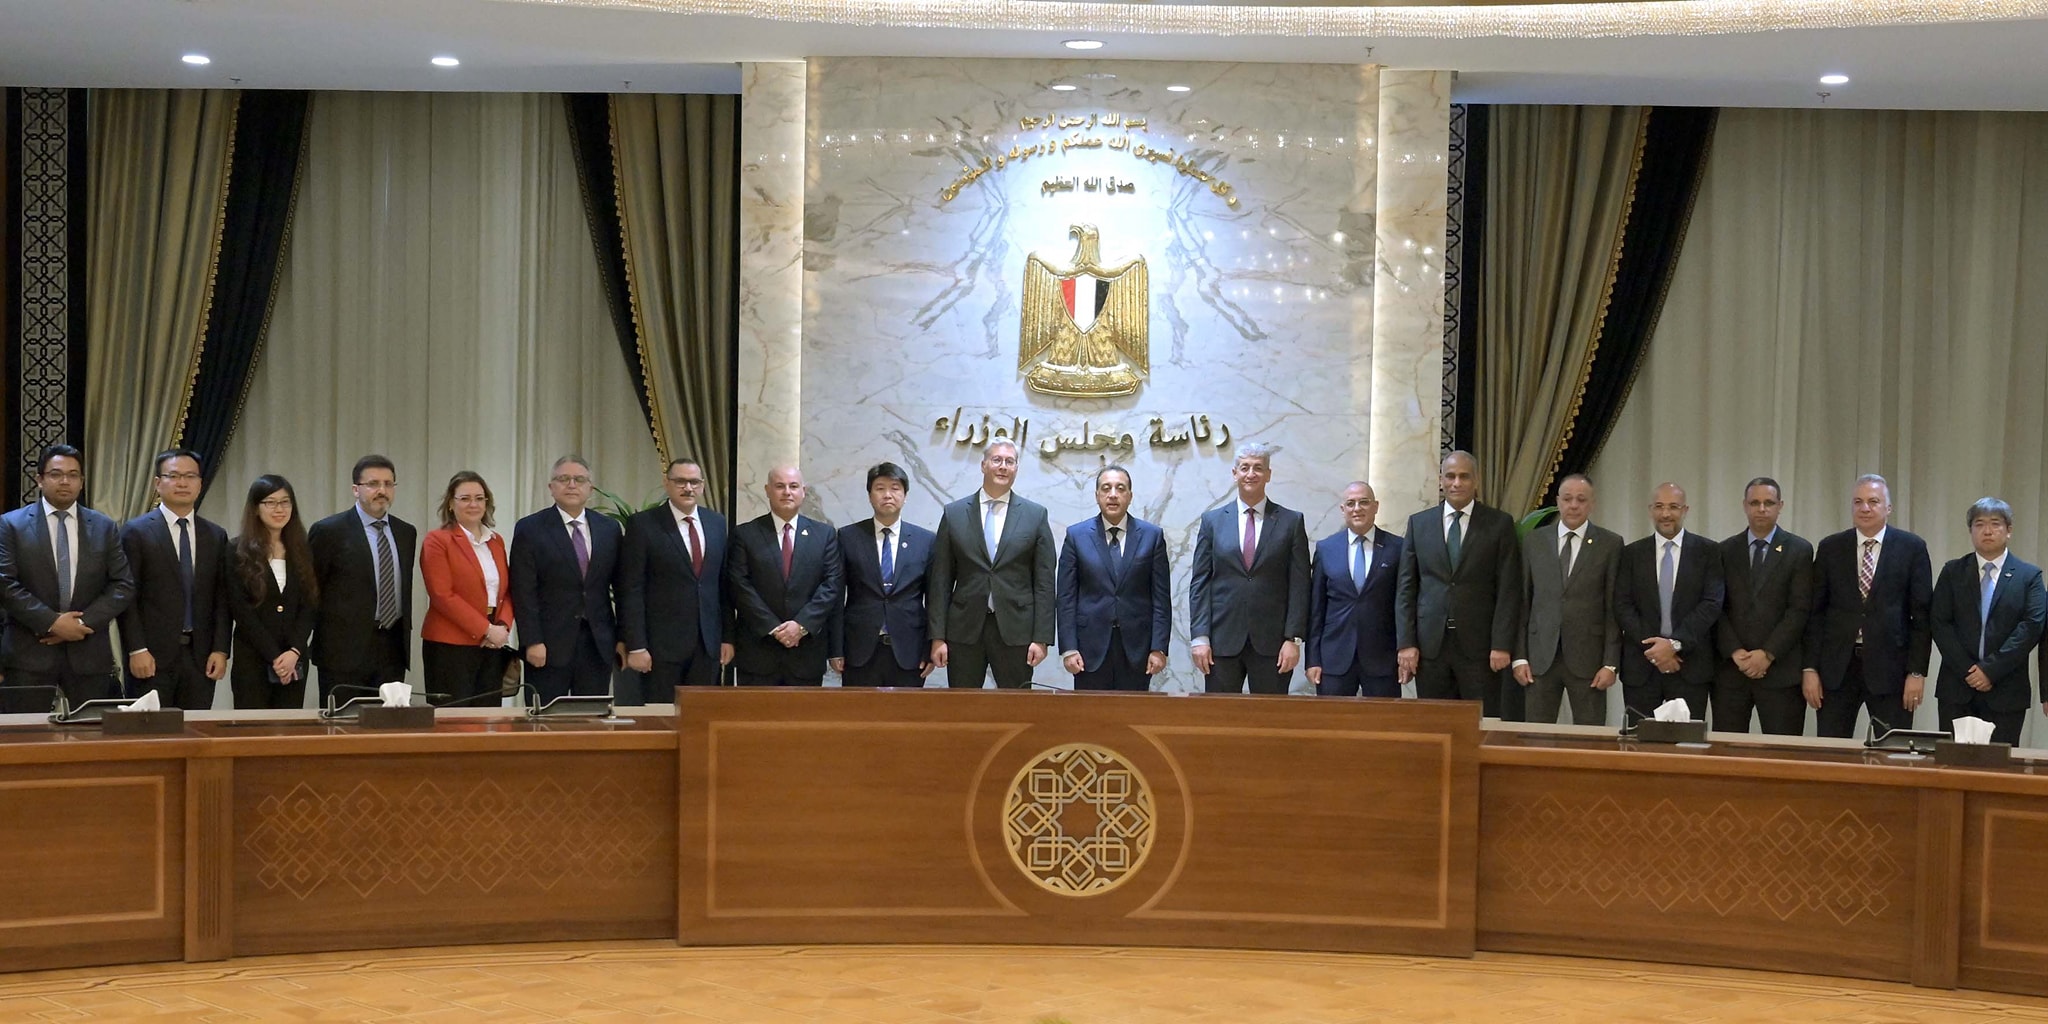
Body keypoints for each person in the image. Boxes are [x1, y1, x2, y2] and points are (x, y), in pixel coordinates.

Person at [0, 444, 135, 711]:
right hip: (28, 655)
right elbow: (5, 583)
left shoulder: (104, 526)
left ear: (81, 482)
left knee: (90, 733)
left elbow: (123, 585)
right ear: (39, 479)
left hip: (88, 653)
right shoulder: (11, 525)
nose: (65, 481)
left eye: (73, 475)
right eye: (56, 474)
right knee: (26, 733)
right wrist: (52, 622)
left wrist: (80, 623)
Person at [1804, 474, 1933, 739]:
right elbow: (1815, 613)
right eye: (1858, 502)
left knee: (1893, 751)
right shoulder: (1830, 547)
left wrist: (1916, 672)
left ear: (1888, 507)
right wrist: (1810, 668)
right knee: (1832, 751)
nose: (1865, 508)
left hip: (1891, 671)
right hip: (1837, 669)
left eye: (1873, 502)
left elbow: (1921, 617)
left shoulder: (1912, 548)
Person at [1396, 450, 1521, 716]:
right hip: (1431, 647)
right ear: (1441, 480)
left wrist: (1501, 644)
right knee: (1433, 722)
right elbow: (1406, 589)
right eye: (1450, 476)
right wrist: (1406, 643)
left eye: (1464, 477)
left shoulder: (1499, 524)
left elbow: (1508, 590)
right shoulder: (1419, 524)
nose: (1456, 483)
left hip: (1481, 648)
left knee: (1482, 723)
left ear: (1476, 481)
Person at [928, 440, 1057, 688]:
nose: (1003, 466)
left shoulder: (1035, 515)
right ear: (983, 465)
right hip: (963, 630)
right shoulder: (954, 513)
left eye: (1010, 461)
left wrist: (1041, 638)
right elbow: (940, 580)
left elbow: (1044, 582)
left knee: (1016, 705)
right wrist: (937, 637)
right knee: (964, 705)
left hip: (1016, 631)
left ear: (1016, 468)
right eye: (997, 460)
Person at [1190, 442, 1311, 695]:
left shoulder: (1291, 522)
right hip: (1221, 642)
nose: (1251, 474)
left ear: (1268, 474)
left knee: (1270, 716)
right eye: (1244, 467)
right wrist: (1200, 637)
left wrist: (1293, 639)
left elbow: (1300, 585)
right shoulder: (1212, 521)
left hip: (1273, 644)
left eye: (1258, 468)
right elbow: (1200, 583)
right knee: (1220, 714)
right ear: (1234, 473)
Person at [117, 448, 231, 709]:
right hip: (151, 657)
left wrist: (221, 649)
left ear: (200, 484)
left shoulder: (215, 535)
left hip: (200, 657)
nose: (182, 483)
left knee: (195, 730)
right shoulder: (135, 532)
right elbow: (126, 598)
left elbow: (222, 599)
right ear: (158, 483)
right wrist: (136, 649)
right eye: (174, 476)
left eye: (190, 476)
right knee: (150, 731)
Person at [1931, 497, 2045, 746]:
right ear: (1971, 531)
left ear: (2009, 530)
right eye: (1979, 524)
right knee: (1952, 762)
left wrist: (1990, 670)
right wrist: (1969, 671)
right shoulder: (1952, 572)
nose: (1987, 531)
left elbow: (2031, 626)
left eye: (1995, 524)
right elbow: (1940, 623)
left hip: (2006, 689)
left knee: (2000, 764)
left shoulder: (2029, 576)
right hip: (1957, 687)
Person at [510, 455, 621, 703]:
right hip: (548, 645)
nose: (572, 485)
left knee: (592, 717)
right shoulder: (530, 528)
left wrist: (624, 639)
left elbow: (622, 586)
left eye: (579, 480)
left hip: (597, 644)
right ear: (551, 487)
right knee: (544, 718)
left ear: (590, 488)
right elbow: (523, 590)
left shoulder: (609, 528)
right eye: (564, 479)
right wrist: (532, 641)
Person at [1511, 474, 1620, 725]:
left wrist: (1610, 664)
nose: (1574, 505)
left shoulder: (1610, 544)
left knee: (1590, 737)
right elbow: (1523, 602)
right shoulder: (1534, 541)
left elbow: (1613, 608)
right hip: (1539, 657)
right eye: (1568, 499)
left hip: (1589, 659)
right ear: (1558, 501)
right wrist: (1520, 657)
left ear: (1592, 504)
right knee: (1536, 736)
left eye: (1581, 500)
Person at [307, 454, 416, 705]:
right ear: (356, 489)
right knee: (342, 724)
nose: (382, 491)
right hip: (343, 652)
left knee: (387, 724)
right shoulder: (329, 531)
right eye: (373, 484)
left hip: (391, 648)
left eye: (388, 484)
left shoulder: (406, 532)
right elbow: (311, 591)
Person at [621, 457, 731, 701]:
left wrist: (727, 639)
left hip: (707, 646)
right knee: (661, 716)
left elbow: (722, 587)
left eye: (694, 482)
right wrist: (636, 645)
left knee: (702, 715)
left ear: (702, 486)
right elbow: (631, 588)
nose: (688, 488)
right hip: (660, 648)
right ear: (666, 483)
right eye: (680, 481)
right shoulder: (643, 524)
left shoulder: (716, 523)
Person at [1614, 483, 1725, 723]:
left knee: (1686, 741)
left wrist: (1674, 644)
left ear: (1685, 510)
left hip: (1690, 666)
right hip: (1642, 667)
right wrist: (1658, 651)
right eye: (1659, 507)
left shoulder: (1708, 551)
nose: (1666, 514)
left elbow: (1711, 604)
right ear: (1650, 510)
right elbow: (1623, 605)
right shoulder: (1631, 553)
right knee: (1638, 739)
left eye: (1673, 507)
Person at [1056, 464, 1171, 692]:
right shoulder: (1077, 536)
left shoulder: (1152, 536)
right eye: (1106, 488)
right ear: (1097, 495)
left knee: (1133, 712)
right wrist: (1069, 648)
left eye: (1120, 488)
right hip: (1088, 650)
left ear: (1130, 496)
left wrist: (1158, 648)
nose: (1113, 494)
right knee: (1091, 712)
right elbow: (1066, 597)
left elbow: (1161, 599)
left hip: (1137, 649)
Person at [1713, 477, 1814, 735]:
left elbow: (1799, 610)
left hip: (1781, 672)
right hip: (1732, 673)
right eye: (1754, 502)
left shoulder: (1799, 550)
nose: (1761, 509)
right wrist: (1735, 651)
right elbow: (1716, 608)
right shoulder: (1724, 550)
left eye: (1768, 503)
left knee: (1782, 752)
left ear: (1780, 506)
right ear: (1744, 505)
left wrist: (1767, 654)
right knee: (1727, 751)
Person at [725, 465, 842, 686]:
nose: (787, 492)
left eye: (793, 486)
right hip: (758, 652)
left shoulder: (824, 534)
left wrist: (801, 625)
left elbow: (831, 585)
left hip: (806, 653)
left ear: (803, 491)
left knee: (803, 711)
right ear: (767, 490)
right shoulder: (745, 534)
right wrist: (773, 627)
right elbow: (739, 585)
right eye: (780, 486)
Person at [831, 462, 934, 687]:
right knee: (859, 709)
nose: (888, 495)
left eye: (895, 488)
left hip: (910, 650)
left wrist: (929, 647)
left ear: (905, 496)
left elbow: (933, 599)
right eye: (880, 488)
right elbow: (836, 596)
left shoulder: (925, 540)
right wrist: (835, 648)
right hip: (859, 649)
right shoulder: (848, 537)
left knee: (906, 710)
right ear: (870, 495)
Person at [420, 471, 515, 705]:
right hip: (450, 646)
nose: (473, 504)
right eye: (465, 498)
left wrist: (502, 627)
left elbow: (506, 591)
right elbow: (442, 595)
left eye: (479, 498)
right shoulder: (437, 540)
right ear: (451, 504)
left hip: (491, 645)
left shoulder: (496, 541)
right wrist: (486, 629)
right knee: (453, 718)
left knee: (488, 716)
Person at [227, 474, 318, 710]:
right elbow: (241, 610)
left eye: (285, 502)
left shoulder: (303, 549)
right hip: (253, 658)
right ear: (256, 509)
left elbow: (310, 605)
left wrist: (294, 651)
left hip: (294, 659)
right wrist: (276, 657)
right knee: (253, 728)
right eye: (270, 502)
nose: (279, 509)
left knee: (289, 728)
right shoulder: (236, 550)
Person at [1307, 481, 1403, 698]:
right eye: (1350, 503)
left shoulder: (1397, 548)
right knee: (1333, 719)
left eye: (1364, 502)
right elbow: (1316, 609)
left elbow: (1403, 605)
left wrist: (1405, 649)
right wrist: (1312, 659)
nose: (1357, 508)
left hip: (1383, 658)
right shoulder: (1326, 548)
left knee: (1385, 719)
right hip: (1334, 658)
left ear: (1376, 506)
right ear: (1343, 509)